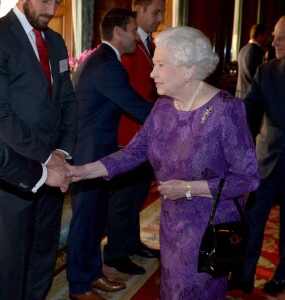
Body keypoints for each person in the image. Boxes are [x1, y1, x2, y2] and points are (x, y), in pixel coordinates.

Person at [68, 26, 260, 300]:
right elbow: (133, 153)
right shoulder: (163, 107)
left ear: (188, 70)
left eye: (160, 64)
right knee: (170, 290)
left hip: (210, 231)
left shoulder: (226, 111)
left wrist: (189, 189)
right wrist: (83, 170)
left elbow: (248, 178)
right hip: (172, 228)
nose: (151, 72)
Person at [0, 0, 77, 299]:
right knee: (13, 259)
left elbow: (68, 102)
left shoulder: (55, 40)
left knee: (43, 250)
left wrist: (62, 152)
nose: (52, 9)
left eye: (57, 1)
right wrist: (47, 159)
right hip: (12, 168)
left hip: (55, 163)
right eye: (46, 0)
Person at [66, 8, 153, 300]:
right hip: (90, 154)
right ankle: (78, 286)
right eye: (131, 30)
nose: (135, 37)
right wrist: (178, 120)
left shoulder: (104, 61)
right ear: (118, 31)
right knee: (86, 221)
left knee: (95, 218)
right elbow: (137, 106)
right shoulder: (107, 65)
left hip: (98, 152)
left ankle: (91, 274)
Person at [104, 0, 165, 275]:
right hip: (128, 133)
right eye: (155, 12)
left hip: (145, 131)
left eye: (162, 12)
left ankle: (130, 242)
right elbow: (126, 95)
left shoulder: (148, 43)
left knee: (137, 194)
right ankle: (116, 252)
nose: (160, 18)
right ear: (137, 10)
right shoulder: (126, 47)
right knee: (122, 199)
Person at [228, 15, 285, 295]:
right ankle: (242, 277)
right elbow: (248, 111)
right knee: (251, 220)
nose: (273, 42)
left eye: (281, 37)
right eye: (273, 35)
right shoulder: (267, 71)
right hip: (267, 159)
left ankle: (282, 277)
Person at [235, 23, 269, 99]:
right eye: (266, 35)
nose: (267, 38)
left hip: (240, 96)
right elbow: (260, 78)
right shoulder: (258, 52)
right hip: (252, 99)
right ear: (260, 35)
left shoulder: (242, 50)